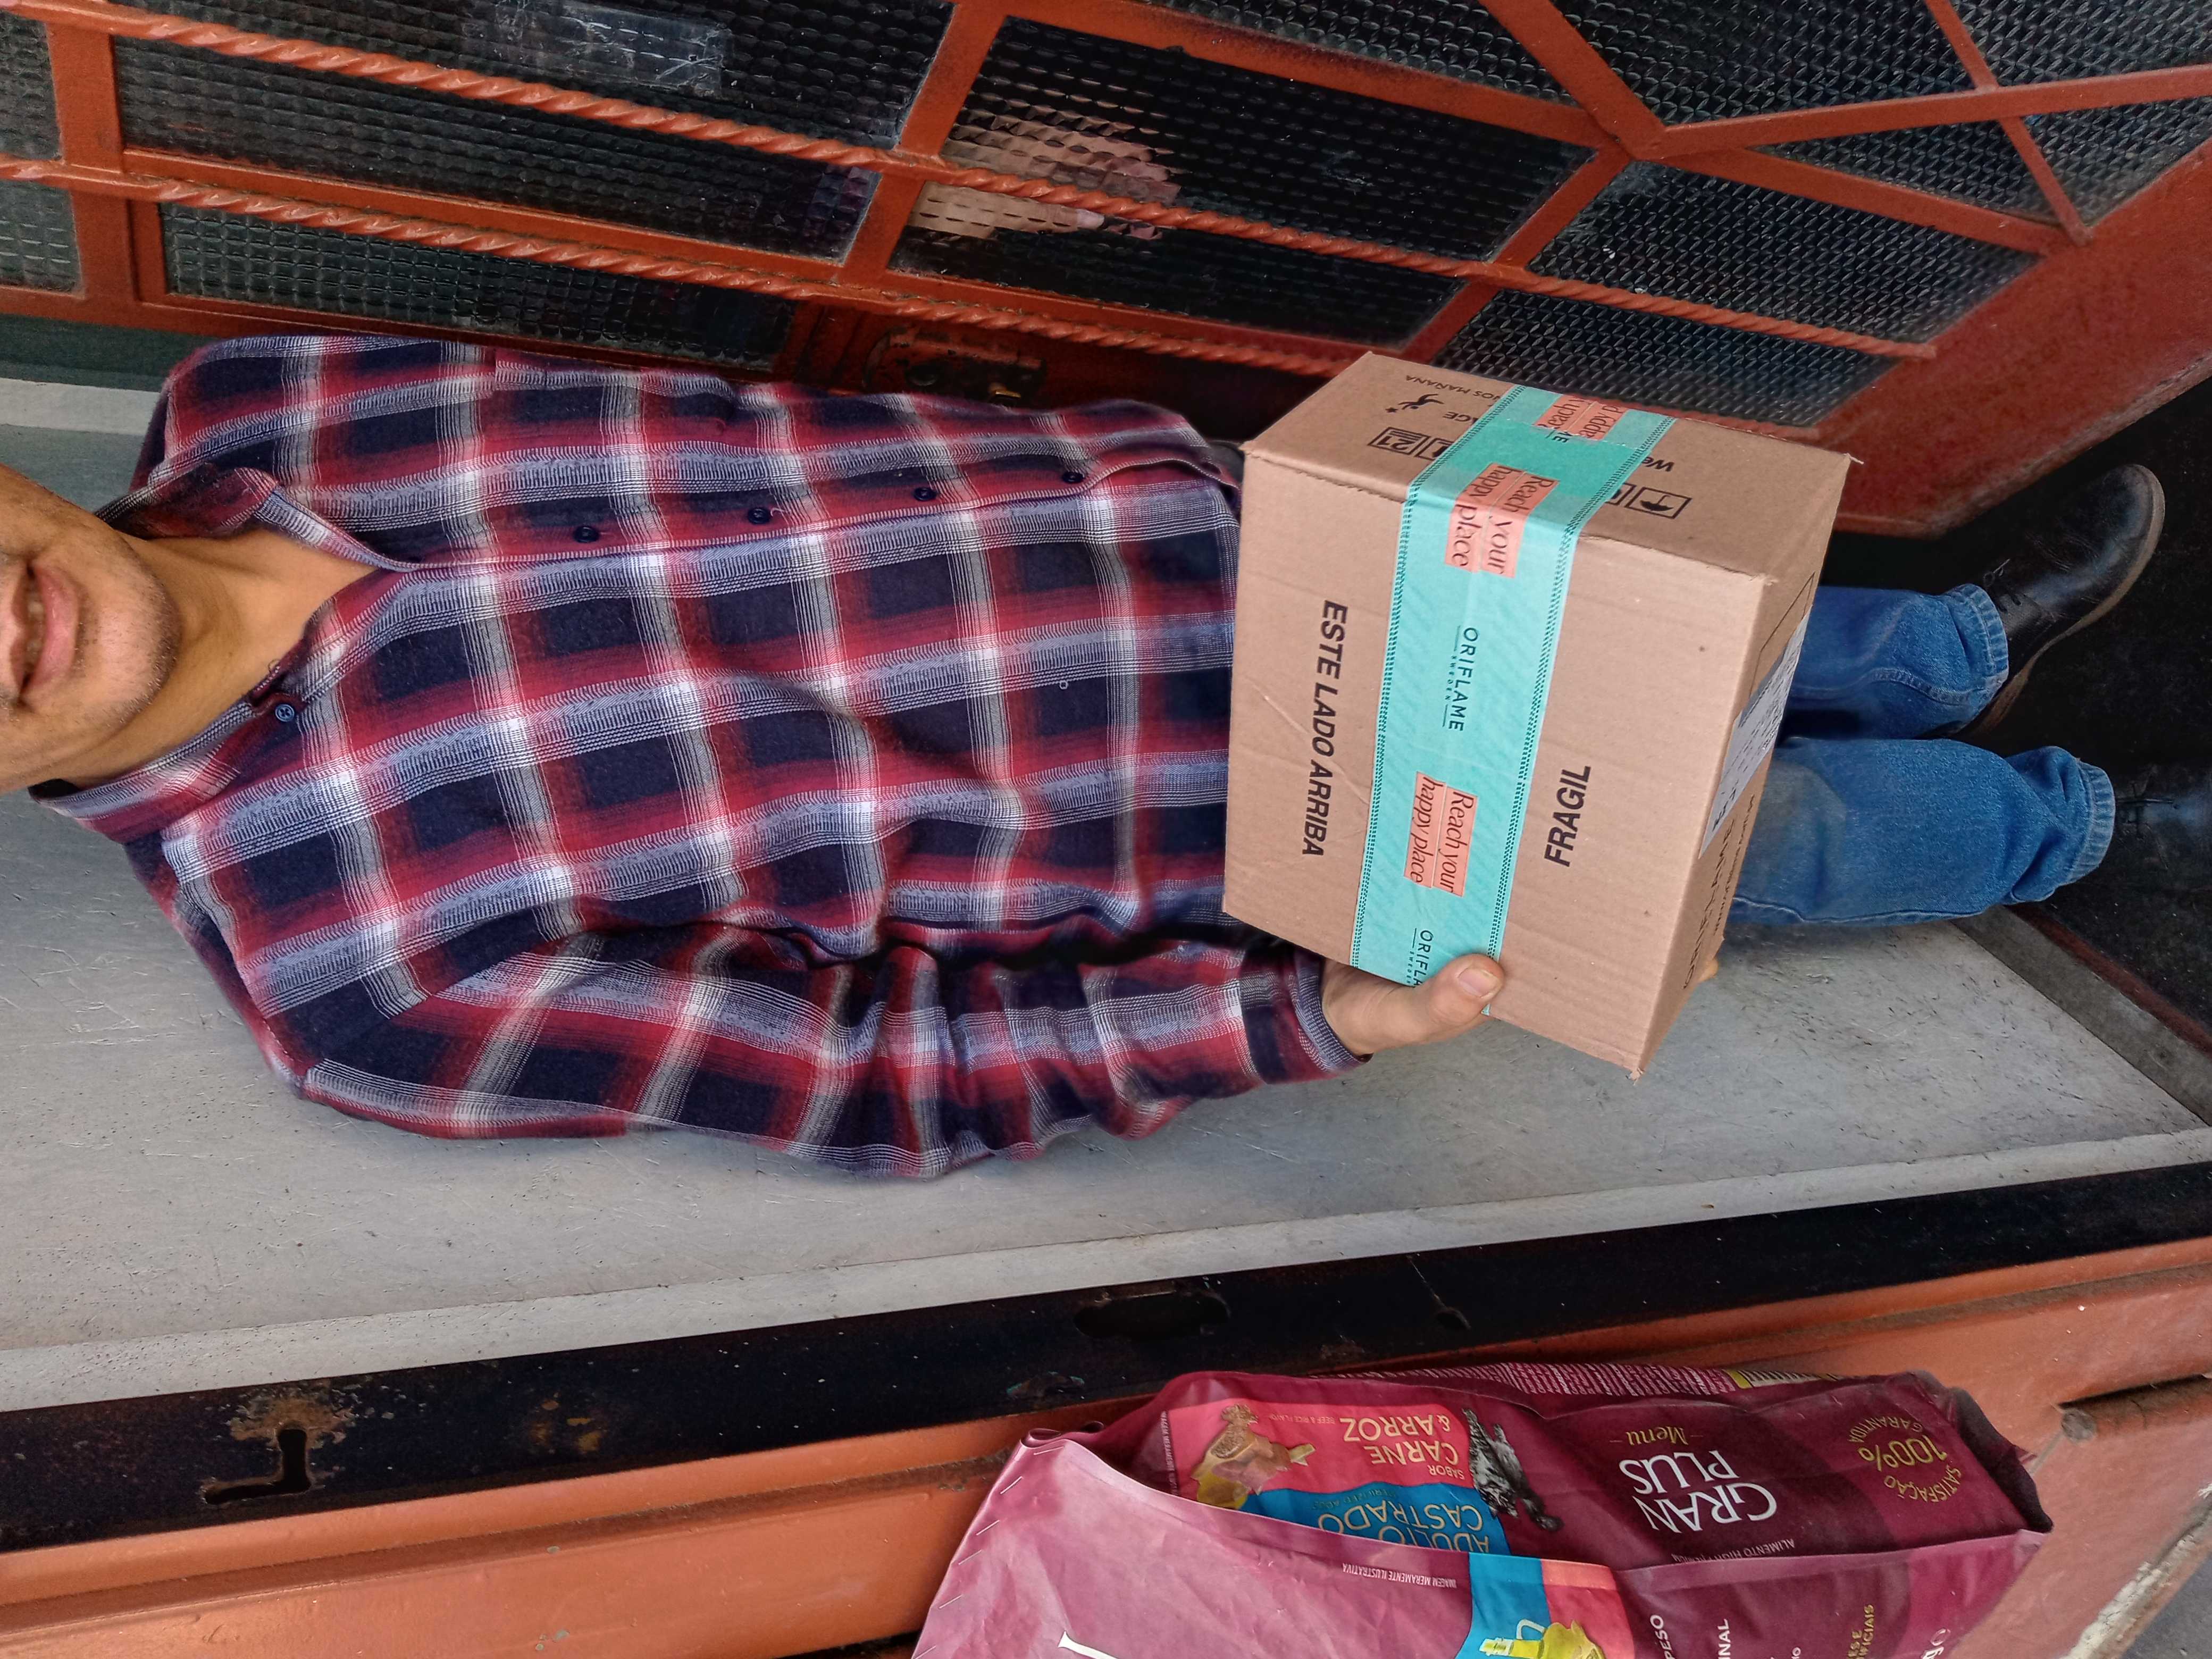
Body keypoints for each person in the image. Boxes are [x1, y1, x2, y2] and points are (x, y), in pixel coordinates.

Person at [1, 334, 2200, 1175]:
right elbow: (889, 1075)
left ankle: (1959, 639)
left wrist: (1141, 464)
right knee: (1770, 833)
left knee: (1705, 621)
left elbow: (759, 421)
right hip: (1334, 830)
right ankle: (2080, 827)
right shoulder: (349, 979)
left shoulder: (270, 392)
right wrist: (1308, 1019)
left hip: (1291, 553)